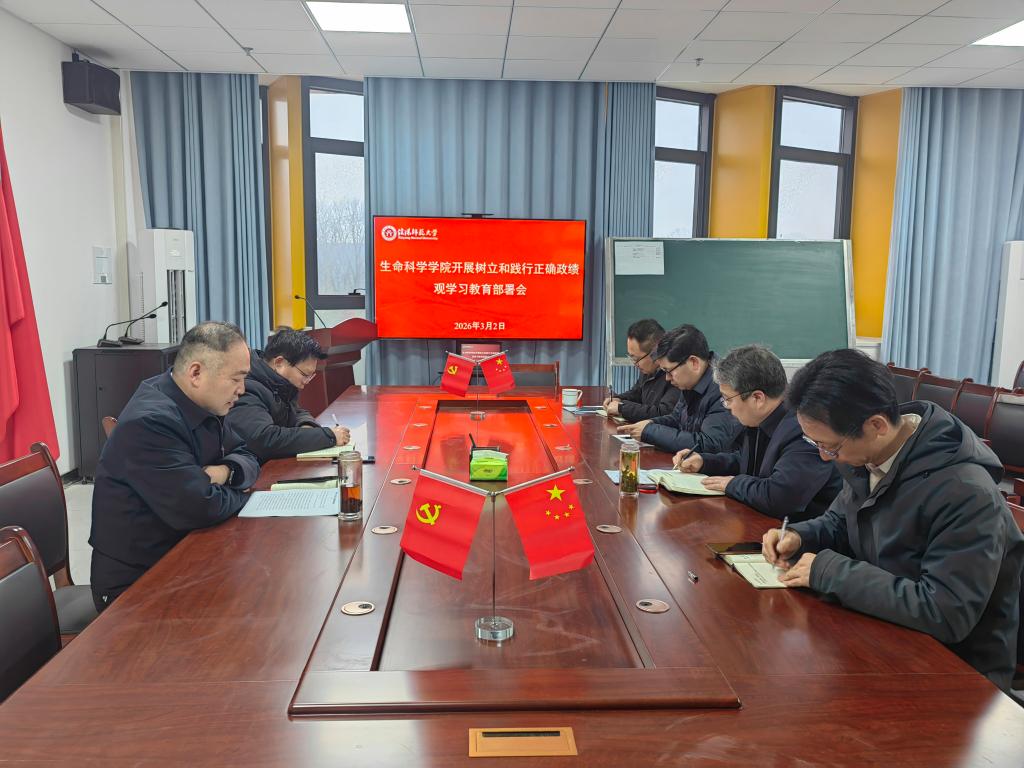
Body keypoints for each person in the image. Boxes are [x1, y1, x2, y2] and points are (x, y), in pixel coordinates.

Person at [761, 349, 1024, 691]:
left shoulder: (965, 492)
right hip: (882, 634)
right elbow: (842, 522)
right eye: (818, 445)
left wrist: (828, 571)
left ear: (877, 426)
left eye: (831, 447)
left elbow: (946, 613)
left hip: (956, 675)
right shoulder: (867, 456)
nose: (826, 457)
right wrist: (799, 536)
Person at [89, 321, 260, 611]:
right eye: (236, 379)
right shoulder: (150, 422)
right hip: (136, 585)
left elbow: (248, 455)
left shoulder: (202, 401)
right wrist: (245, 496)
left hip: (184, 557)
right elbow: (201, 506)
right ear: (196, 373)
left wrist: (226, 472)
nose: (242, 390)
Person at [674, 344, 841, 521]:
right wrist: (704, 462)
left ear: (757, 398)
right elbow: (751, 464)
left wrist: (733, 483)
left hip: (797, 532)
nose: (727, 406)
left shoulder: (803, 428)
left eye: (728, 399)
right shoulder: (762, 419)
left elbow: (779, 497)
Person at [226, 327, 350, 463]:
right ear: (279, 363)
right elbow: (264, 439)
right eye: (304, 375)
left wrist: (306, 427)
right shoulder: (248, 388)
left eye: (311, 376)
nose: (307, 381)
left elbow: (296, 411)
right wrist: (328, 436)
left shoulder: (280, 383)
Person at [617, 324, 740, 454]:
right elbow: (677, 418)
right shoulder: (690, 381)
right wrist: (649, 423)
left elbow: (709, 444)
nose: (667, 378)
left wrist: (650, 431)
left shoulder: (723, 389)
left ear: (694, 363)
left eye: (669, 371)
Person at [603, 319, 679, 422]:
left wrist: (622, 408)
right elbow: (637, 393)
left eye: (636, 359)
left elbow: (664, 413)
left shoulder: (675, 374)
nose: (635, 364)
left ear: (654, 352)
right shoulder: (648, 369)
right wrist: (619, 399)